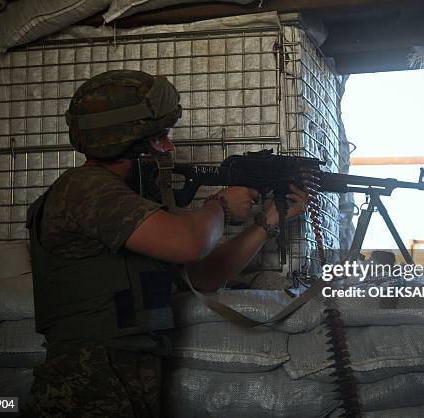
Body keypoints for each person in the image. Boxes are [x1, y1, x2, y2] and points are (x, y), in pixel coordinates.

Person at [22, 70, 307, 417]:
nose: (169, 147)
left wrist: (269, 220)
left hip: (124, 375)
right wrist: (219, 205)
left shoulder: (124, 203)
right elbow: (188, 244)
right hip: (86, 383)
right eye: (159, 138)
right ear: (125, 140)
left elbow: (204, 276)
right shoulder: (84, 189)